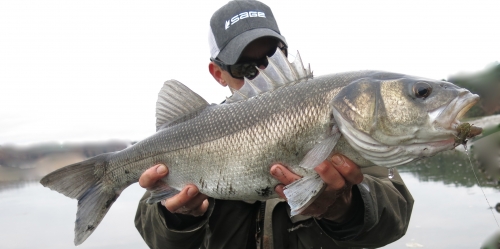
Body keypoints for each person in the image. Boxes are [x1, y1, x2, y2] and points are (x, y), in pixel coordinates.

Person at [135, 1, 414, 248]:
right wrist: (175, 216)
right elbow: (157, 239)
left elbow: (396, 216)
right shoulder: (195, 132)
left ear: (285, 52)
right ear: (218, 73)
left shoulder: (340, 117)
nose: (261, 73)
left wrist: (347, 207)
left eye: (271, 56)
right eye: (244, 68)